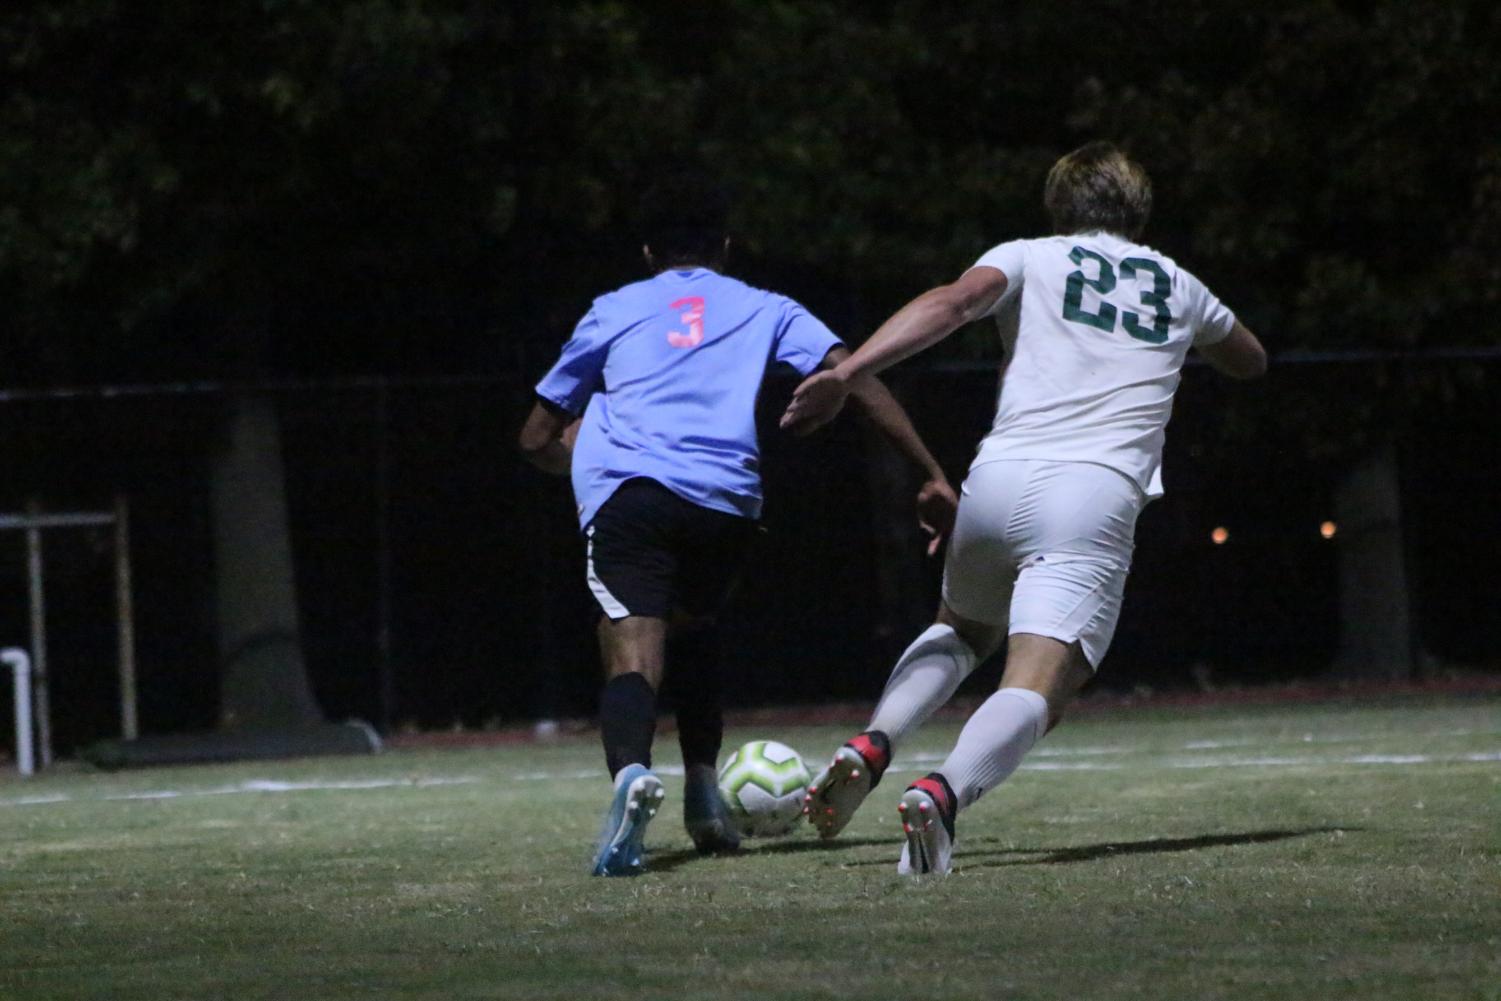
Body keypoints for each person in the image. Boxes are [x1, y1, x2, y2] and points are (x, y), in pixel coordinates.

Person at [782, 141, 1267, 875]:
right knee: (1042, 679)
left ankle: (874, 740)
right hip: (1092, 492)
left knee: (962, 628)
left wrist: (847, 374)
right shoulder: (1178, 282)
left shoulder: (1024, 255)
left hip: (997, 476)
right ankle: (940, 794)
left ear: (1057, 206)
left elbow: (950, 303)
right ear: (1138, 210)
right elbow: (1250, 358)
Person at [517, 171, 957, 877]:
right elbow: (858, 378)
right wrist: (932, 472)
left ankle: (632, 774)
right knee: (694, 631)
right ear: (723, 246)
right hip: (725, 504)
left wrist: (587, 455)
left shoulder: (611, 309)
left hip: (631, 496)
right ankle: (702, 796)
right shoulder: (766, 306)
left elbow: (537, 435)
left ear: (646, 252)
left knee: (630, 649)